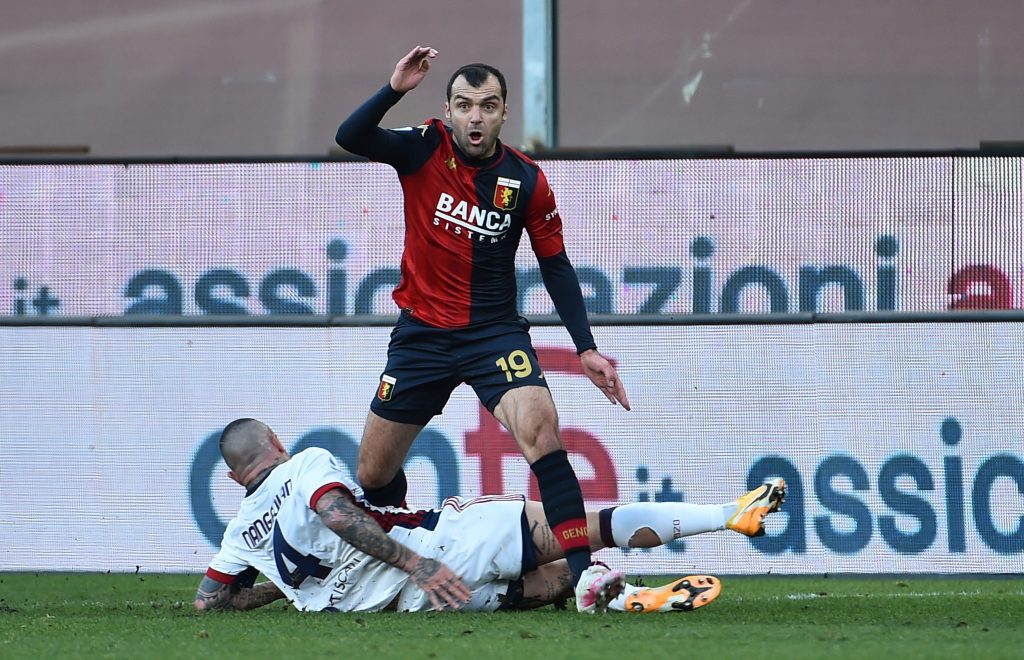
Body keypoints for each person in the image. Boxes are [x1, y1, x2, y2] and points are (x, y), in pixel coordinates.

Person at [333, 45, 632, 608]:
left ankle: (584, 573)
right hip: (420, 334)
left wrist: (586, 348)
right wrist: (395, 87)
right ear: (448, 111)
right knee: (372, 475)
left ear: (503, 113)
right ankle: (400, 561)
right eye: (465, 105)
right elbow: (351, 135)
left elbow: (556, 264)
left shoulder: (525, 179)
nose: (476, 116)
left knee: (543, 432)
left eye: (488, 105)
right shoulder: (423, 148)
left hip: (492, 334)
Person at [194, 419, 786, 614]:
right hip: (436, 551)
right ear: (275, 439)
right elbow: (336, 512)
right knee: (579, 525)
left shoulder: (239, 531)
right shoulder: (305, 465)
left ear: (232, 478)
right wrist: (417, 563)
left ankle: (618, 594)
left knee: (551, 586)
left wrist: (289, 592)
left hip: (407, 610)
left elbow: (209, 603)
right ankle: (728, 514)